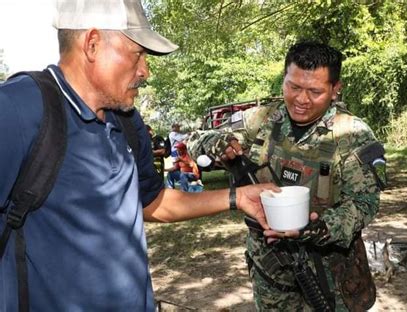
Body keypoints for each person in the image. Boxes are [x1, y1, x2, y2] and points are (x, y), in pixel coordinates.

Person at [0, 1, 278, 311]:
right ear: (92, 44)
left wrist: (237, 197)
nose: (145, 71)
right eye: (138, 54)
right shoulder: (16, 111)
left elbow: (150, 201)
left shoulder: (127, 121)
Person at [187, 41, 385, 311]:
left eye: (315, 91)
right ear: (284, 81)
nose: (301, 100)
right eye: (293, 87)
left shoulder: (352, 135)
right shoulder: (262, 120)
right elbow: (196, 139)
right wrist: (215, 143)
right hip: (270, 267)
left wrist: (320, 228)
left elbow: (364, 204)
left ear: (335, 90)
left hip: (329, 270)